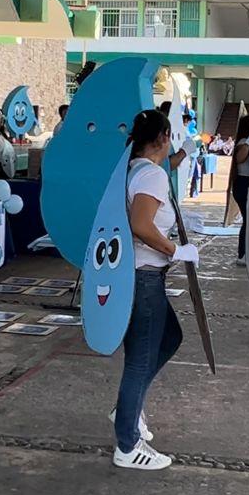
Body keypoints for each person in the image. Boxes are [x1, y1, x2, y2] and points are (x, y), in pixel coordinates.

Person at [111, 109, 198, 471]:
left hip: (139, 275)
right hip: (145, 275)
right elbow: (141, 225)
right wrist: (174, 249)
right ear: (163, 137)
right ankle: (127, 445)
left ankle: (127, 409)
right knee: (140, 359)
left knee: (170, 338)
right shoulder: (152, 175)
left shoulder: (132, 169)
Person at [230, 115, 249, 266]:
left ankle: (246, 253)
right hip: (243, 182)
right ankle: (243, 253)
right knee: (248, 220)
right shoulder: (243, 142)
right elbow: (240, 158)